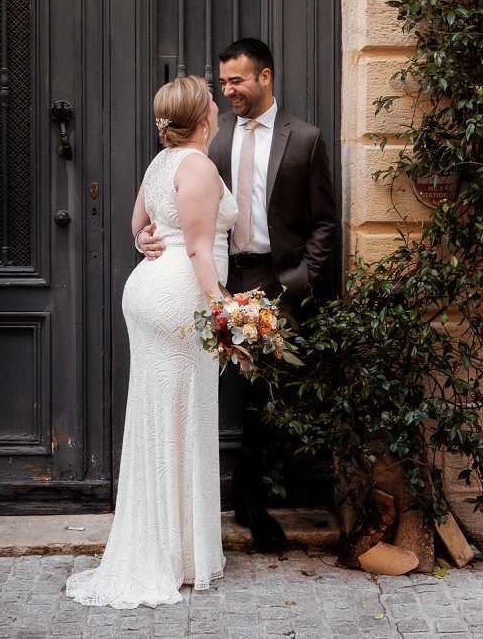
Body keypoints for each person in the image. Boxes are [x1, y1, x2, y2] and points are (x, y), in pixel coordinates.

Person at [139, 40, 336, 552]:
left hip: (280, 278)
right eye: (222, 83)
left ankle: (255, 500)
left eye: (237, 82)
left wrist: (297, 282)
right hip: (221, 277)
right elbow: (181, 207)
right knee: (218, 391)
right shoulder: (212, 140)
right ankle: (221, 504)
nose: (228, 92)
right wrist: (148, 236)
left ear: (265, 77)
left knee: (273, 396)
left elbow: (323, 222)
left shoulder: (307, 139)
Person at [66, 75, 237, 608]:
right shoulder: (199, 166)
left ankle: (165, 545)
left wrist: (145, 237)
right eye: (210, 96)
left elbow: (137, 224)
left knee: (158, 418)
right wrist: (228, 310)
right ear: (202, 114)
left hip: (148, 295)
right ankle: (177, 555)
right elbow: (200, 252)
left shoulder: (160, 163)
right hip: (179, 303)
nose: (216, 99)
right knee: (184, 419)